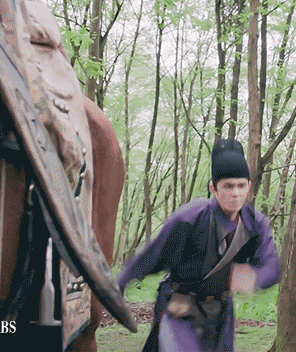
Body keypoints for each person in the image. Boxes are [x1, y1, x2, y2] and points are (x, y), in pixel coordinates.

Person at [118, 139, 281, 352]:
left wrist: (253, 276)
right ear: (214, 188)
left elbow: (272, 266)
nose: (235, 193)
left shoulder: (255, 224)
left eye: (241, 186)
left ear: (249, 186)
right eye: (228, 186)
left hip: (220, 312)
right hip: (181, 308)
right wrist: (118, 284)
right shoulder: (189, 218)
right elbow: (153, 256)